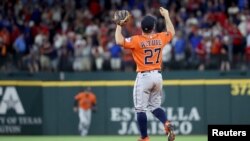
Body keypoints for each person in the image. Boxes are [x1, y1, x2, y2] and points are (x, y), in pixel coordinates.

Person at [115, 7, 175, 141]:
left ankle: (144, 138)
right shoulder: (160, 38)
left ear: (141, 28)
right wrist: (166, 16)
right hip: (158, 76)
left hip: (144, 76)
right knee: (155, 107)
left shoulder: (137, 40)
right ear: (153, 27)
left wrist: (119, 25)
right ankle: (166, 123)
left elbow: (119, 41)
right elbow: (171, 32)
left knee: (140, 109)